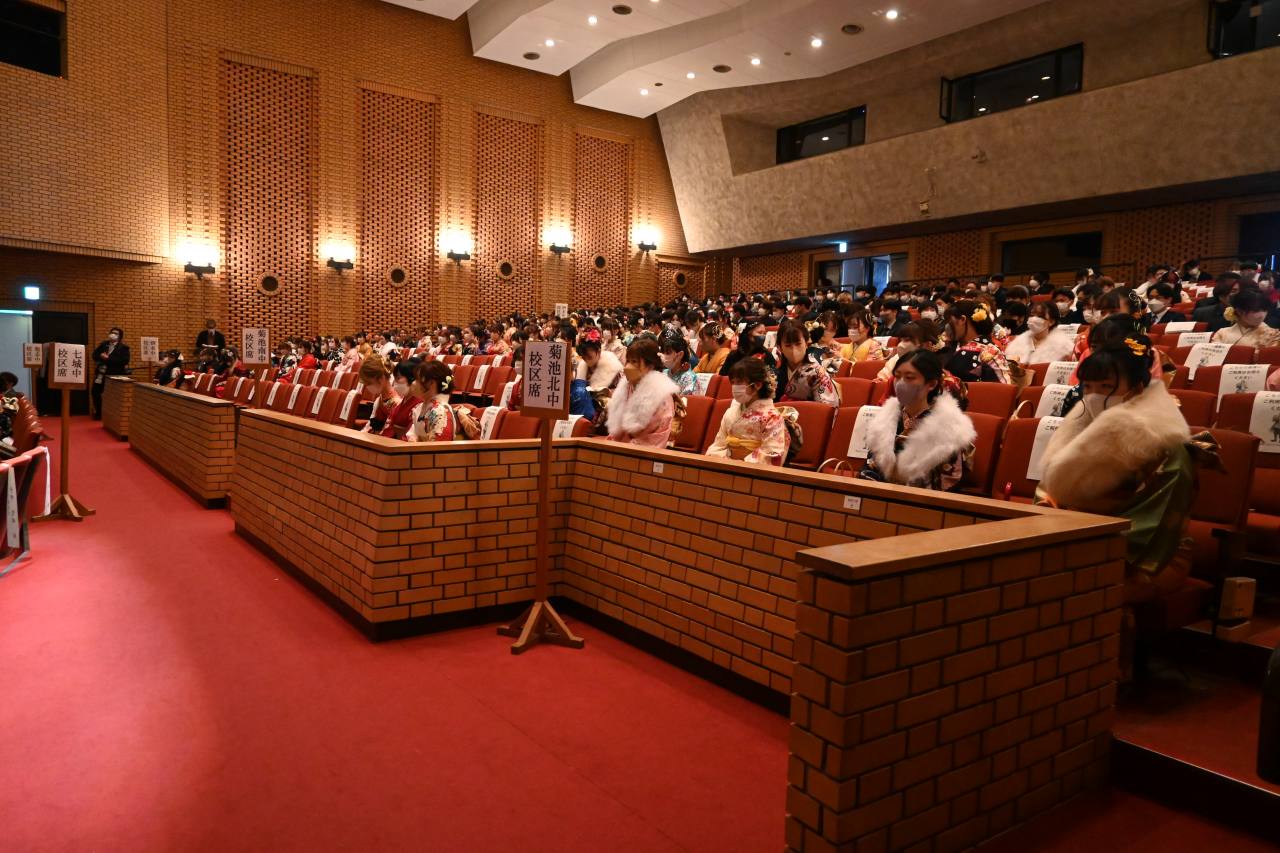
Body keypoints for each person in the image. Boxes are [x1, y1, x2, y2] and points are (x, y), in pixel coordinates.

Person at [1038, 333, 1198, 609]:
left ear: (1136, 388)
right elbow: (1049, 488)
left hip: (1142, 555)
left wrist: (1074, 532)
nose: (1094, 395)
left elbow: (1152, 524)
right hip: (1074, 536)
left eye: (1106, 386)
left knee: (1071, 594)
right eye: (1088, 387)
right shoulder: (1080, 420)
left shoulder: (1167, 443)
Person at [858, 350, 975, 491]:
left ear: (931, 384)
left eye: (909, 377)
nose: (900, 383)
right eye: (897, 376)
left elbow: (947, 481)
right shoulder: (885, 420)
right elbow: (872, 466)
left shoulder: (949, 428)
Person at [705, 357, 789, 465]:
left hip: (751, 473)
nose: (735, 387)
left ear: (757, 385)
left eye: (739, 382)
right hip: (725, 466)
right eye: (733, 382)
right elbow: (718, 445)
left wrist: (740, 463)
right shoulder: (730, 413)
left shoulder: (773, 417)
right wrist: (727, 460)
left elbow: (771, 453)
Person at [605, 337, 679, 447]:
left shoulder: (661, 393)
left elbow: (660, 433)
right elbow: (617, 432)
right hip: (621, 446)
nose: (628, 366)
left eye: (634, 361)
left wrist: (631, 446)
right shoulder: (625, 387)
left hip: (647, 450)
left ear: (650, 366)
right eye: (628, 361)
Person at [942, 300, 1011, 383]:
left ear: (962, 319)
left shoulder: (990, 352)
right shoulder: (947, 346)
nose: (947, 327)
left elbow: (1001, 389)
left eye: (950, 322)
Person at [775, 322, 839, 407]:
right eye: (788, 345)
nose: (794, 350)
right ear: (780, 348)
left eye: (798, 344)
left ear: (806, 343)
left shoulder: (817, 373)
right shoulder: (774, 376)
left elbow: (827, 408)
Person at [1005, 302, 1073, 366]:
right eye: (1032, 315)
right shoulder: (1018, 342)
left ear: (1051, 322)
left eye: (1040, 316)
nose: (1034, 319)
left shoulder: (1063, 346)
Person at [406, 361, 457, 442]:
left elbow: (437, 449)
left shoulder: (440, 412)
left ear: (431, 383)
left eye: (418, 380)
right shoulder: (420, 407)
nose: (414, 383)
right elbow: (411, 434)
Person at [1211, 288, 1280, 348]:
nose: (1262, 315)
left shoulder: (1274, 335)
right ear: (1239, 311)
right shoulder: (1222, 333)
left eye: (1265, 310)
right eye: (1255, 310)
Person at [376, 361, 423, 440]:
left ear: (412, 378)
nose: (395, 382)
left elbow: (411, 435)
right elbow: (389, 426)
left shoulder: (419, 405)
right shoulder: (401, 402)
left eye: (398, 378)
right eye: (394, 378)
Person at [90, 326, 130, 419]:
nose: (113, 334)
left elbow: (124, 361)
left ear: (120, 336)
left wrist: (108, 359)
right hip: (100, 374)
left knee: (112, 395)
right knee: (95, 392)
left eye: (116, 333)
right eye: (112, 332)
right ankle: (99, 413)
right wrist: (101, 356)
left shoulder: (124, 348)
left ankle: (111, 415)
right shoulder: (104, 344)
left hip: (114, 374)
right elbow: (94, 355)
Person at [357, 355, 397, 434]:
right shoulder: (380, 399)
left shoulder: (395, 403)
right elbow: (370, 425)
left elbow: (388, 432)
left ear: (381, 379)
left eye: (369, 383)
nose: (367, 387)